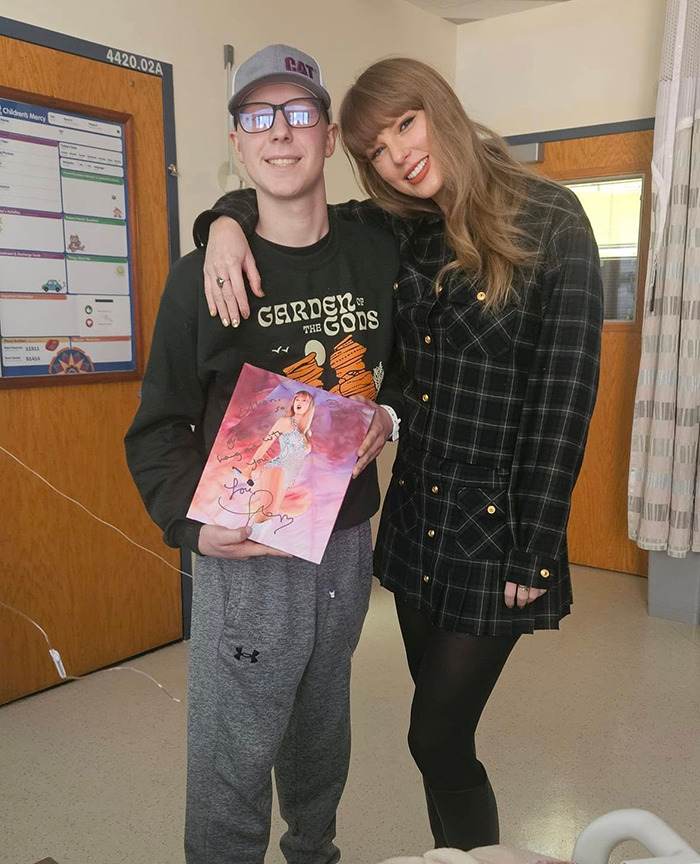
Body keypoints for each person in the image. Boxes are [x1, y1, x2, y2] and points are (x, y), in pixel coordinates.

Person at [193, 57, 603, 853]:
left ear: (440, 108)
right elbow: (290, 201)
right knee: (439, 747)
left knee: (436, 736)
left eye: (405, 126)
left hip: (498, 528)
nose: (397, 156)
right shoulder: (399, 226)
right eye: (376, 149)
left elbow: (565, 400)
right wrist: (223, 224)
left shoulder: (551, 219)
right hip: (416, 517)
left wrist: (539, 546)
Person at [125, 44, 403, 864]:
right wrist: (190, 525)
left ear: (326, 133)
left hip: (347, 542)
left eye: (297, 114)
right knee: (233, 753)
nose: (280, 134)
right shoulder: (202, 277)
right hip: (248, 554)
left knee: (324, 734)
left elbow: (413, 376)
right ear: (239, 144)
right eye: (258, 117)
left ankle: (314, 853)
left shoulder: (377, 248)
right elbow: (157, 428)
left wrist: (386, 413)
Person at [243, 390, 315, 524]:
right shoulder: (285, 422)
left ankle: (250, 539)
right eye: (297, 399)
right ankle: (246, 539)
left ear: (310, 406)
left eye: (303, 400)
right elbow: (265, 445)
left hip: (288, 476)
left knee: (270, 515)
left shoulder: (306, 432)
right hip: (277, 469)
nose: (298, 402)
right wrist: (249, 469)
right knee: (266, 512)